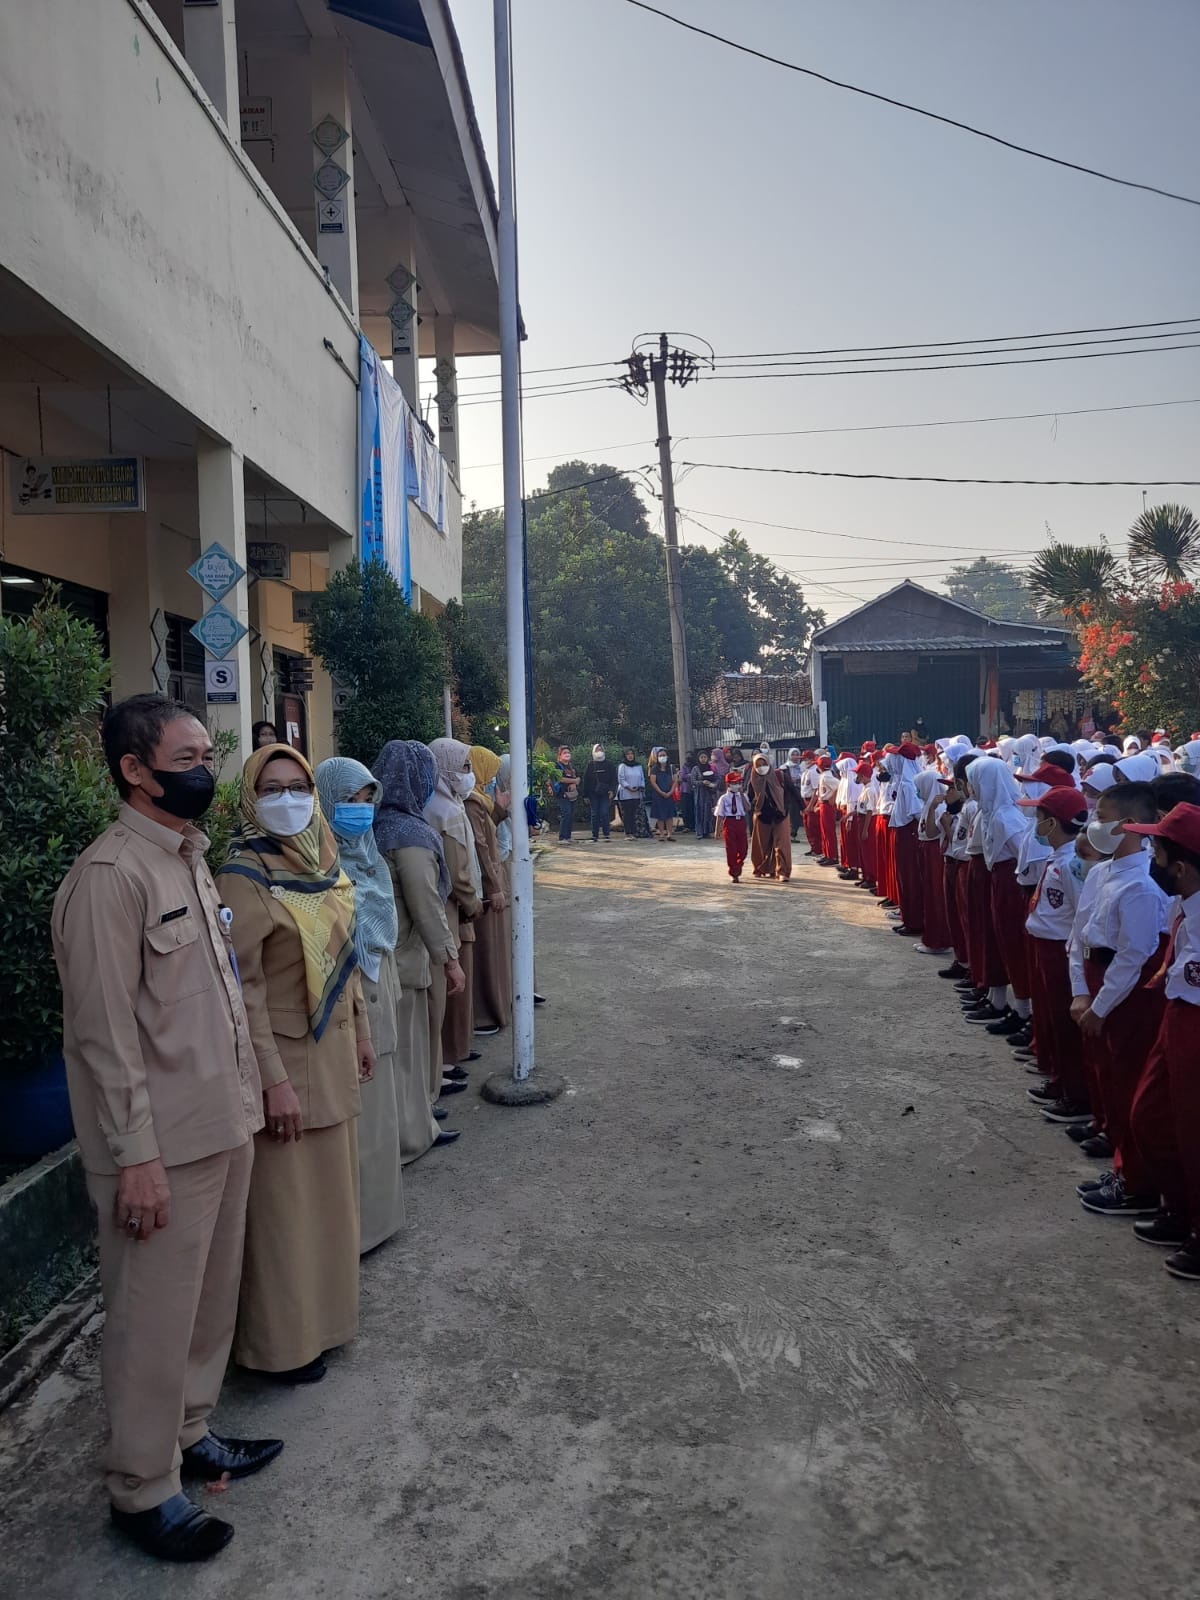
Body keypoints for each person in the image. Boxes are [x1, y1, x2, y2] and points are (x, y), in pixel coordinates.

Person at [51, 696, 281, 1563]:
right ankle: (142, 1487)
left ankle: (190, 1434)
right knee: (150, 1321)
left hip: (222, 1123)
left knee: (206, 1305)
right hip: (160, 1151)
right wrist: (136, 1157)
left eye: (205, 757)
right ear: (134, 771)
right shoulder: (109, 878)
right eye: (185, 759)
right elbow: (104, 1038)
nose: (203, 772)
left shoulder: (187, 857)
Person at [218, 745, 372, 1388]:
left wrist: (362, 1031)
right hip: (284, 1065)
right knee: (285, 1212)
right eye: (272, 788)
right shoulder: (242, 875)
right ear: (251, 800)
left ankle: (326, 1324)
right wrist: (272, 1080)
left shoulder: (322, 855)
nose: (288, 799)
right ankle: (280, 1346)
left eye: (298, 786)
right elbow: (242, 991)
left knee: (329, 1202)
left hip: (332, 1054)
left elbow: (347, 953)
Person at [314, 757, 405, 1254]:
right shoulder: (320, 865)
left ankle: (384, 1216)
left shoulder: (367, 853)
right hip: (353, 995)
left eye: (367, 799)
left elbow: (381, 920)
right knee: (363, 1119)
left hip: (380, 983)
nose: (361, 810)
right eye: (350, 800)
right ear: (327, 800)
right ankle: (362, 1228)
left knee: (382, 1111)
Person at [1069, 782, 1171, 1218]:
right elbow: (1080, 931)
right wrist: (1080, 989)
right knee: (1109, 1077)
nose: (1094, 823)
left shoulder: (1144, 885)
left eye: (1102, 816)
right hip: (1099, 978)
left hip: (1125, 990)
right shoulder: (1102, 872)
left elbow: (1134, 955)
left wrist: (1100, 1005)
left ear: (1128, 825)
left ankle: (1137, 1183)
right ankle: (1123, 1166)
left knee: (1130, 1082)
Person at [374, 741, 464, 1158]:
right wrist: (450, 959)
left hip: (386, 955)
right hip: (405, 958)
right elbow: (425, 903)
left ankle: (417, 1120)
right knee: (407, 1052)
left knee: (400, 1054)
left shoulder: (376, 823)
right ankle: (413, 1134)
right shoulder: (408, 833)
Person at [1123, 803, 1200, 1278]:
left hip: (1195, 1021)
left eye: (1157, 852)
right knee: (1150, 1116)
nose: (1150, 860)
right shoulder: (1183, 904)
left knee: (1193, 1130)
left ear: (1181, 868)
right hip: (1178, 1013)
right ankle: (1180, 1206)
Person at [1015, 785, 1091, 1126]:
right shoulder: (1059, 856)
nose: (1036, 824)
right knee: (1050, 1019)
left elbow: (1081, 913)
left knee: (1063, 1023)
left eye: (1041, 818)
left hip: (1061, 949)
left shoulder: (1073, 864)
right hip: (1045, 943)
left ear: (1054, 823)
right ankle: (1060, 1079)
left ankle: (1076, 1094)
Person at [426, 738, 483, 1062]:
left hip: (454, 906)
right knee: (450, 985)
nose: (468, 773)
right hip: (451, 907)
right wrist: (472, 903)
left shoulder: (449, 801)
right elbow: (458, 870)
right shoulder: (443, 809)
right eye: (462, 766)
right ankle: (448, 1057)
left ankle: (455, 1051)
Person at [466, 745, 512, 1035]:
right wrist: (494, 885)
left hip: (492, 876)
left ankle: (498, 1004)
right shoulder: (472, 802)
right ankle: (484, 1015)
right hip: (482, 886)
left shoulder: (480, 796)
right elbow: (481, 846)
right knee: (485, 950)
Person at [747, 752, 792, 880]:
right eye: (758, 765)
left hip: (780, 815)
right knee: (761, 845)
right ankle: (761, 868)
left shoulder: (779, 776)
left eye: (764, 764)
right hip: (762, 816)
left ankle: (782, 872)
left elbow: (792, 792)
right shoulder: (753, 780)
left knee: (782, 845)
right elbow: (750, 798)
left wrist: (788, 808)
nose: (762, 767)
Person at [715, 770, 749, 882]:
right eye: (734, 783)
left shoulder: (742, 796)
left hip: (741, 822)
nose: (737, 785)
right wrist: (717, 830)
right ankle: (734, 872)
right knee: (731, 849)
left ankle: (738, 865)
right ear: (728, 784)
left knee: (743, 849)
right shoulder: (724, 798)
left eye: (738, 783)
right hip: (729, 822)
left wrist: (742, 794)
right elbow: (720, 815)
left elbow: (747, 808)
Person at [581, 743, 617, 841]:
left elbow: (614, 779)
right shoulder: (590, 765)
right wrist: (585, 795)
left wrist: (612, 791)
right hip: (593, 793)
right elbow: (586, 780)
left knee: (604, 812)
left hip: (605, 793)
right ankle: (595, 835)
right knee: (594, 814)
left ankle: (606, 834)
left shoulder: (609, 764)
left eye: (601, 749)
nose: (599, 751)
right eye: (597, 750)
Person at [648, 747, 677, 841]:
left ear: (667, 756)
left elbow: (675, 781)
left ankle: (669, 834)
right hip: (658, 795)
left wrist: (670, 792)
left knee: (669, 815)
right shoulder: (654, 768)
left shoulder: (671, 768)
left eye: (664, 755)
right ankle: (661, 834)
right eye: (660, 756)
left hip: (669, 794)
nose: (662, 757)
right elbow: (653, 782)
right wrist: (661, 792)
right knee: (660, 816)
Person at [617, 747, 646, 839]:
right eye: (628, 754)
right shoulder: (622, 766)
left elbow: (642, 778)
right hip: (626, 793)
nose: (630, 756)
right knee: (627, 813)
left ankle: (634, 832)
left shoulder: (638, 766)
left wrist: (640, 786)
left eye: (631, 754)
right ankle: (628, 832)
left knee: (634, 813)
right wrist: (629, 787)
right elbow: (621, 779)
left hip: (637, 793)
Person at [553, 746, 580, 843]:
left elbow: (577, 778)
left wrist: (574, 783)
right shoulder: (556, 766)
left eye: (568, 752)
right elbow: (560, 778)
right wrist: (573, 781)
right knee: (566, 813)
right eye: (564, 752)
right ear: (559, 755)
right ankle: (562, 837)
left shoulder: (571, 767)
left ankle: (568, 837)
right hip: (562, 794)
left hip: (571, 794)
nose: (567, 754)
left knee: (571, 815)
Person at [695, 749, 719, 840]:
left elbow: (717, 778)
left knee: (708, 813)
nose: (703, 759)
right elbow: (693, 781)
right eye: (701, 757)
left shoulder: (711, 768)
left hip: (709, 793)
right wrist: (702, 782)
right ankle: (700, 832)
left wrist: (714, 784)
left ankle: (707, 831)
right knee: (700, 812)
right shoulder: (696, 769)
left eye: (705, 757)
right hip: (700, 794)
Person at [678, 751, 698, 833]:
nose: (688, 758)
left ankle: (694, 825)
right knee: (686, 809)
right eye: (687, 756)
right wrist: (690, 776)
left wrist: (690, 776)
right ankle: (687, 826)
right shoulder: (684, 766)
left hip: (695, 790)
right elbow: (683, 776)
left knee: (693, 808)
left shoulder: (696, 766)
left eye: (690, 756)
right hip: (685, 790)